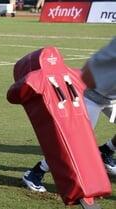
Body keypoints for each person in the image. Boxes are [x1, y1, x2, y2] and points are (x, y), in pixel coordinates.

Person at [23, 38, 116, 192]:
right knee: (73, 143)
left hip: (111, 98)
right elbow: (91, 72)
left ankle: (106, 150)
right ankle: (35, 172)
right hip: (92, 98)